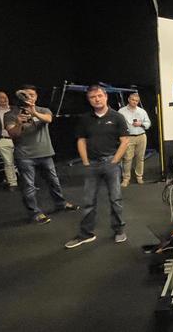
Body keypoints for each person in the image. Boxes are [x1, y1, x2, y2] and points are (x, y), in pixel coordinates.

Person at [65, 84, 129, 249]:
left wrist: (115, 160)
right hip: (92, 165)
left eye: (99, 96)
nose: (97, 99)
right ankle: (85, 234)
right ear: (89, 100)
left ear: (105, 96)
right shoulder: (85, 119)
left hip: (111, 164)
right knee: (88, 201)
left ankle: (119, 230)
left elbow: (125, 141)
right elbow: (81, 140)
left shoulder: (117, 117)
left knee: (115, 199)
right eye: (93, 97)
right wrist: (85, 162)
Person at [4, 85, 79, 225]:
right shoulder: (11, 114)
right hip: (24, 156)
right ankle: (35, 213)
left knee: (54, 182)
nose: (29, 97)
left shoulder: (43, 110)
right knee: (29, 186)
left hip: (45, 153)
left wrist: (34, 112)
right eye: (26, 95)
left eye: (32, 94)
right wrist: (19, 123)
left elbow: (48, 119)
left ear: (36, 96)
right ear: (20, 97)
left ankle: (61, 204)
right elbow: (13, 134)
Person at [118, 93, 151, 187]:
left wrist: (141, 124)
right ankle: (126, 179)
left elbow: (148, 124)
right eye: (133, 100)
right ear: (128, 99)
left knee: (140, 158)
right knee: (127, 158)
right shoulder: (121, 111)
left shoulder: (142, 111)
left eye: (136, 101)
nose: (134, 102)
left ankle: (139, 177)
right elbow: (118, 124)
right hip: (129, 137)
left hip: (141, 136)